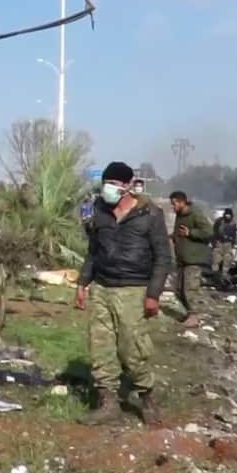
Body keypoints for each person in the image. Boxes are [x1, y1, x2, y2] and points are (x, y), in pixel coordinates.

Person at [75, 161, 172, 427]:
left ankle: (146, 395)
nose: (110, 189)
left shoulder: (150, 214)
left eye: (116, 184)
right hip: (102, 287)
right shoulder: (100, 211)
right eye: (107, 183)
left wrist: (153, 294)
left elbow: (163, 257)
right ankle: (108, 403)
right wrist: (83, 283)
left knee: (132, 347)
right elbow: (93, 251)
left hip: (134, 288)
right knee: (101, 346)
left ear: (128, 186)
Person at [170, 191, 213, 328]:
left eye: (174, 203)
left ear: (182, 202)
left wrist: (191, 233)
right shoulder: (180, 215)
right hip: (183, 259)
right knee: (178, 289)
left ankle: (195, 316)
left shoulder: (195, 214)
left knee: (190, 289)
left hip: (194, 259)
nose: (173, 206)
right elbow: (180, 232)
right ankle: (190, 313)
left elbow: (209, 232)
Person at [211, 208, 237, 278]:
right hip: (219, 243)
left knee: (227, 259)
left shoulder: (233, 223)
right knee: (216, 259)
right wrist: (214, 243)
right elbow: (214, 232)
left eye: (229, 215)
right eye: (226, 214)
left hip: (228, 244)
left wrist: (233, 243)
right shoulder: (219, 221)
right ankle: (215, 275)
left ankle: (224, 274)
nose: (227, 216)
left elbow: (234, 235)